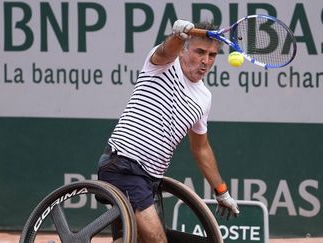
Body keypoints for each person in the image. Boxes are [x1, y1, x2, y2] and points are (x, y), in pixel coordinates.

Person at [97, 19, 240, 243]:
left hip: (152, 180)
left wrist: (222, 191)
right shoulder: (163, 65)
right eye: (200, 51)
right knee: (157, 240)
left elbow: (201, 148)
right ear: (184, 50)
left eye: (212, 55)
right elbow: (166, 51)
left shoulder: (204, 98)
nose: (205, 61)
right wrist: (178, 35)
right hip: (123, 166)